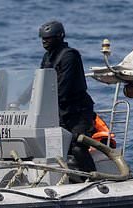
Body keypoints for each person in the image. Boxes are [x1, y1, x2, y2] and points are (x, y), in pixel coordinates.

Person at [38, 20, 96, 173]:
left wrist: (43, 103)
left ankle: (94, 179)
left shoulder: (69, 56)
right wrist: (22, 101)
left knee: (78, 148)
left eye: (48, 38)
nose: (44, 41)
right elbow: (39, 82)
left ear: (59, 37)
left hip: (78, 113)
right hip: (60, 113)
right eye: (42, 38)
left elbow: (64, 87)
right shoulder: (47, 57)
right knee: (55, 149)